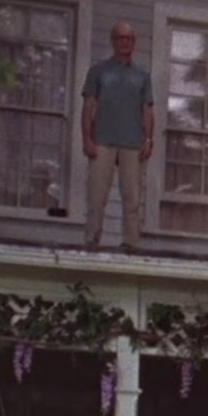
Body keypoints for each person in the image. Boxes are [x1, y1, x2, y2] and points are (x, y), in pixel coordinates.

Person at [81, 21, 154, 247]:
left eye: (128, 38)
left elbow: (147, 109)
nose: (124, 42)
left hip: (132, 142)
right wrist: (87, 138)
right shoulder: (98, 71)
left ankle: (131, 244)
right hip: (102, 141)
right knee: (96, 196)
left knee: (132, 198)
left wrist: (148, 139)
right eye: (120, 38)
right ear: (113, 41)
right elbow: (88, 105)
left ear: (134, 42)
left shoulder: (142, 75)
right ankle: (92, 240)